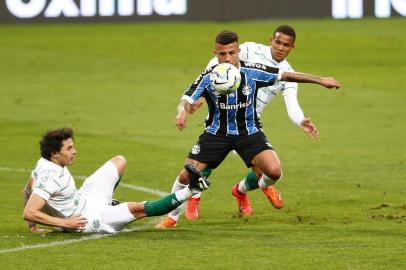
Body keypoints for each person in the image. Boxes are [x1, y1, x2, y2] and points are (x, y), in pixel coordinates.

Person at [155, 30, 340, 228]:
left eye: (232, 53)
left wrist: (321, 80)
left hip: (248, 133)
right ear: (215, 53)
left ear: (238, 51)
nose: (227, 58)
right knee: (186, 175)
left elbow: (287, 75)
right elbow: (186, 99)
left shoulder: (252, 71)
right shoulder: (209, 76)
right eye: (222, 54)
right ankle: (172, 217)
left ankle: (258, 185)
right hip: (216, 133)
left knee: (274, 171)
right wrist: (181, 112)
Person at [184, 25, 317, 220]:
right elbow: (221, 57)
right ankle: (194, 198)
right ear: (271, 40)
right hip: (223, 114)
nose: (280, 47)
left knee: (264, 169)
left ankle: (241, 190)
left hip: (249, 123)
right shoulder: (251, 49)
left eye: (286, 45)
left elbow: (292, 104)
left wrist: (300, 120)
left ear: (291, 48)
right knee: (207, 159)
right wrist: (207, 89)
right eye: (278, 42)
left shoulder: (288, 74)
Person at [22, 128, 210, 234]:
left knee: (118, 162)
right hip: (85, 220)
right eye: (69, 148)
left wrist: (33, 229)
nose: (74, 151)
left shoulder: (44, 163)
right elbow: (29, 211)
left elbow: (27, 191)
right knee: (137, 209)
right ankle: (190, 190)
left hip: (85, 199)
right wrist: (65, 224)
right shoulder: (50, 177)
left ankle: (108, 203)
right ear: (55, 153)